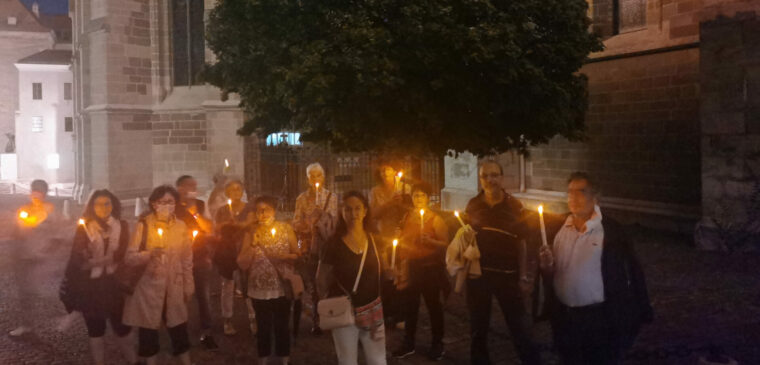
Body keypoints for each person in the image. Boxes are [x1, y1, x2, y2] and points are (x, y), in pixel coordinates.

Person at [538, 172, 653, 364]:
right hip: (565, 318)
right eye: (570, 192)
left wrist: (639, 310)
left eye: (581, 192)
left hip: (598, 319)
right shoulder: (559, 228)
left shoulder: (611, 231)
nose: (573, 197)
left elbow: (631, 272)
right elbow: (552, 272)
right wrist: (547, 267)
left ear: (595, 197)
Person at [463, 161, 540, 365]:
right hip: (478, 276)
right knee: (478, 328)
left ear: (502, 178)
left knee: (519, 328)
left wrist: (524, 275)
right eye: (485, 176)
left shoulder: (515, 206)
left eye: (494, 175)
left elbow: (522, 242)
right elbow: (466, 236)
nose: (490, 180)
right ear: (480, 180)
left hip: (508, 276)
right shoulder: (473, 205)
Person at [60, 189, 138, 365]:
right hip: (91, 287)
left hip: (113, 284)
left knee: (122, 328)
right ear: (91, 207)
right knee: (96, 330)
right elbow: (77, 258)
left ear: (113, 205)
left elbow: (120, 254)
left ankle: (133, 361)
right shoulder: (85, 227)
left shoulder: (122, 226)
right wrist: (85, 257)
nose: (103, 208)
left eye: (107, 203)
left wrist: (95, 262)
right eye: (97, 204)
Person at [122, 185, 194, 365]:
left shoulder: (181, 226)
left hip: (174, 287)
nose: (165, 205)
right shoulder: (143, 225)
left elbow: (187, 258)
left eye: (170, 202)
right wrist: (149, 254)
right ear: (153, 204)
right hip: (149, 289)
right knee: (148, 334)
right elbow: (129, 258)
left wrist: (188, 283)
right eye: (161, 202)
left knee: (179, 330)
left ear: (175, 204)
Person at [318, 191, 388, 365]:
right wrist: (328, 305)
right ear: (342, 212)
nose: (353, 214)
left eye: (358, 209)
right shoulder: (333, 244)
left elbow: (385, 269)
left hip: (373, 310)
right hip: (345, 311)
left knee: (378, 360)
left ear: (365, 211)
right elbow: (321, 279)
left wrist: (393, 272)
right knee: (347, 361)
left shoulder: (375, 241)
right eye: (348, 209)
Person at [238, 196, 300, 365]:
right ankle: (263, 360)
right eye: (259, 210)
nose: (263, 213)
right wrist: (253, 245)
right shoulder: (251, 232)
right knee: (263, 327)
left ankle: (284, 360)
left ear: (274, 210)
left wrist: (285, 256)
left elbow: (297, 254)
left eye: (267, 209)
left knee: (282, 326)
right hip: (259, 289)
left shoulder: (285, 228)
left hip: (282, 287)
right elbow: (242, 263)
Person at [392, 182, 450, 361]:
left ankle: (437, 343)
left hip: (431, 269)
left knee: (434, 307)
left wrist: (432, 242)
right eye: (416, 195)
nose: (418, 199)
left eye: (422, 195)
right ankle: (408, 343)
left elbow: (446, 245)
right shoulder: (407, 216)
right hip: (412, 268)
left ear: (428, 198)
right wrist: (398, 235)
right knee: (410, 307)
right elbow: (403, 238)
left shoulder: (436, 220)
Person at [292, 162, 338, 336]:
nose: (315, 179)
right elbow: (296, 223)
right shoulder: (301, 199)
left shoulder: (331, 197)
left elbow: (334, 224)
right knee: (312, 282)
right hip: (309, 246)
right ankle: (316, 320)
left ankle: (331, 315)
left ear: (323, 177)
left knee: (327, 281)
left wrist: (323, 218)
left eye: (318, 175)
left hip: (326, 244)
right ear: (307, 179)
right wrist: (309, 221)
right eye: (312, 176)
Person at [10, 179, 59, 336]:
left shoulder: (51, 211)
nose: (36, 195)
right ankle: (28, 324)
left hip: (43, 260)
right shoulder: (23, 210)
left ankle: (58, 319)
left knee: (44, 292)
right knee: (25, 292)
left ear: (45, 194)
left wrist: (48, 250)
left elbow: (57, 236)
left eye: (40, 191)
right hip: (25, 257)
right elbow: (18, 233)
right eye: (34, 191)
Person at [175, 175, 218, 350]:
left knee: (203, 296)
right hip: (177, 258)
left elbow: (209, 229)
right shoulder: (172, 205)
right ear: (179, 188)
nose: (192, 189)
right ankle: (179, 330)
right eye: (188, 186)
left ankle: (206, 332)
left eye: (194, 185)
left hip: (199, 257)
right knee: (179, 296)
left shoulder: (200, 205)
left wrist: (195, 213)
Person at [368, 163, 409, 328]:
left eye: (389, 169)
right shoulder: (375, 192)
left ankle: (401, 313)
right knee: (386, 274)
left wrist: (401, 204)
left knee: (401, 273)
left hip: (403, 236)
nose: (385, 172)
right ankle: (388, 311)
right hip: (383, 237)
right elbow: (373, 215)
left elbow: (410, 211)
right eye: (382, 169)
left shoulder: (406, 188)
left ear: (395, 171)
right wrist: (388, 204)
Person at [214, 178, 256, 336]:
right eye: (232, 190)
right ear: (227, 193)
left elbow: (249, 224)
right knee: (227, 284)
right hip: (227, 249)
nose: (236, 192)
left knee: (248, 282)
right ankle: (227, 319)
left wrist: (235, 224)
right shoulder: (222, 210)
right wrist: (226, 224)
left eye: (238, 189)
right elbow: (216, 228)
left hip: (244, 247)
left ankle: (253, 317)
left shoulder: (248, 208)